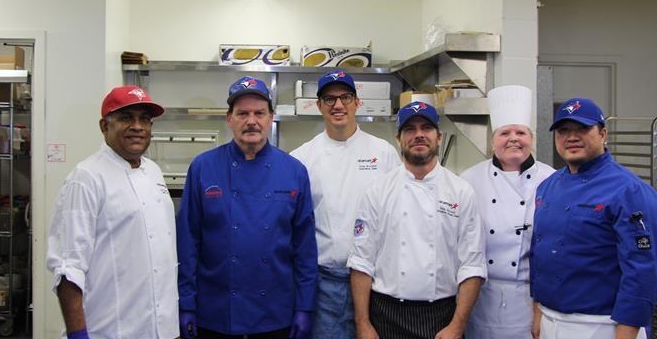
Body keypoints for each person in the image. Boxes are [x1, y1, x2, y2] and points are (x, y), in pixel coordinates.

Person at [176, 76, 318, 339]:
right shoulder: (203, 168)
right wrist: (186, 304)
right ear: (229, 119)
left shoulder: (294, 171)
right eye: (242, 113)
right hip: (216, 313)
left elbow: (305, 248)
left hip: (276, 313)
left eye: (259, 113)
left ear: (270, 117)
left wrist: (305, 306)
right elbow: (188, 242)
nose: (251, 121)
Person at [47, 85, 178, 339]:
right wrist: (78, 334)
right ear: (104, 126)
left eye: (144, 119)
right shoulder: (86, 178)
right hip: (109, 330)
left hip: (160, 328)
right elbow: (68, 268)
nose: (138, 126)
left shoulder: (153, 172)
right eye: (126, 118)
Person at [348, 101, 487, 339]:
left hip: (442, 316)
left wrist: (457, 326)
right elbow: (362, 262)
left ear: (439, 137)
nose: (419, 135)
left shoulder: (461, 192)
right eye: (410, 129)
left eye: (426, 128)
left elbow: (472, 266)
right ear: (399, 139)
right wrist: (363, 324)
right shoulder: (377, 191)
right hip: (385, 314)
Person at [530, 98, 657, 339]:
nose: (571, 137)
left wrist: (627, 330)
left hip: (604, 324)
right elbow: (540, 252)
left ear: (603, 133)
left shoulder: (628, 190)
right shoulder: (547, 187)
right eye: (563, 131)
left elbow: (643, 268)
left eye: (582, 128)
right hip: (551, 319)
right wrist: (538, 310)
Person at [290, 70, 401, 339]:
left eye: (345, 97)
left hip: (377, 282)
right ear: (318, 106)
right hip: (324, 282)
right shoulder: (301, 158)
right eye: (329, 99)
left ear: (356, 102)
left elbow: (397, 214)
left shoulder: (383, 152)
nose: (338, 105)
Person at [460, 85, 556, 339]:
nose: (513, 138)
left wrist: (540, 307)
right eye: (505, 133)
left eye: (521, 132)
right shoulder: (469, 179)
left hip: (532, 298)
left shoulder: (553, 180)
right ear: (493, 142)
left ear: (531, 140)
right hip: (481, 295)